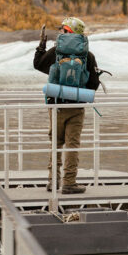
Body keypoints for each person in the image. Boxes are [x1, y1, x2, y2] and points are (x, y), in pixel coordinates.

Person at [33, 15, 99, 195]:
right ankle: (69, 183)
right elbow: (93, 84)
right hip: (76, 106)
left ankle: (52, 181)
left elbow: (37, 64)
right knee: (72, 145)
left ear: (67, 31)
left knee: (56, 144)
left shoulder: (56, 52)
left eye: (61, 29)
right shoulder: (87, 55)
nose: (59, 31)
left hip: (56, 105)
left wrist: (41, 46)